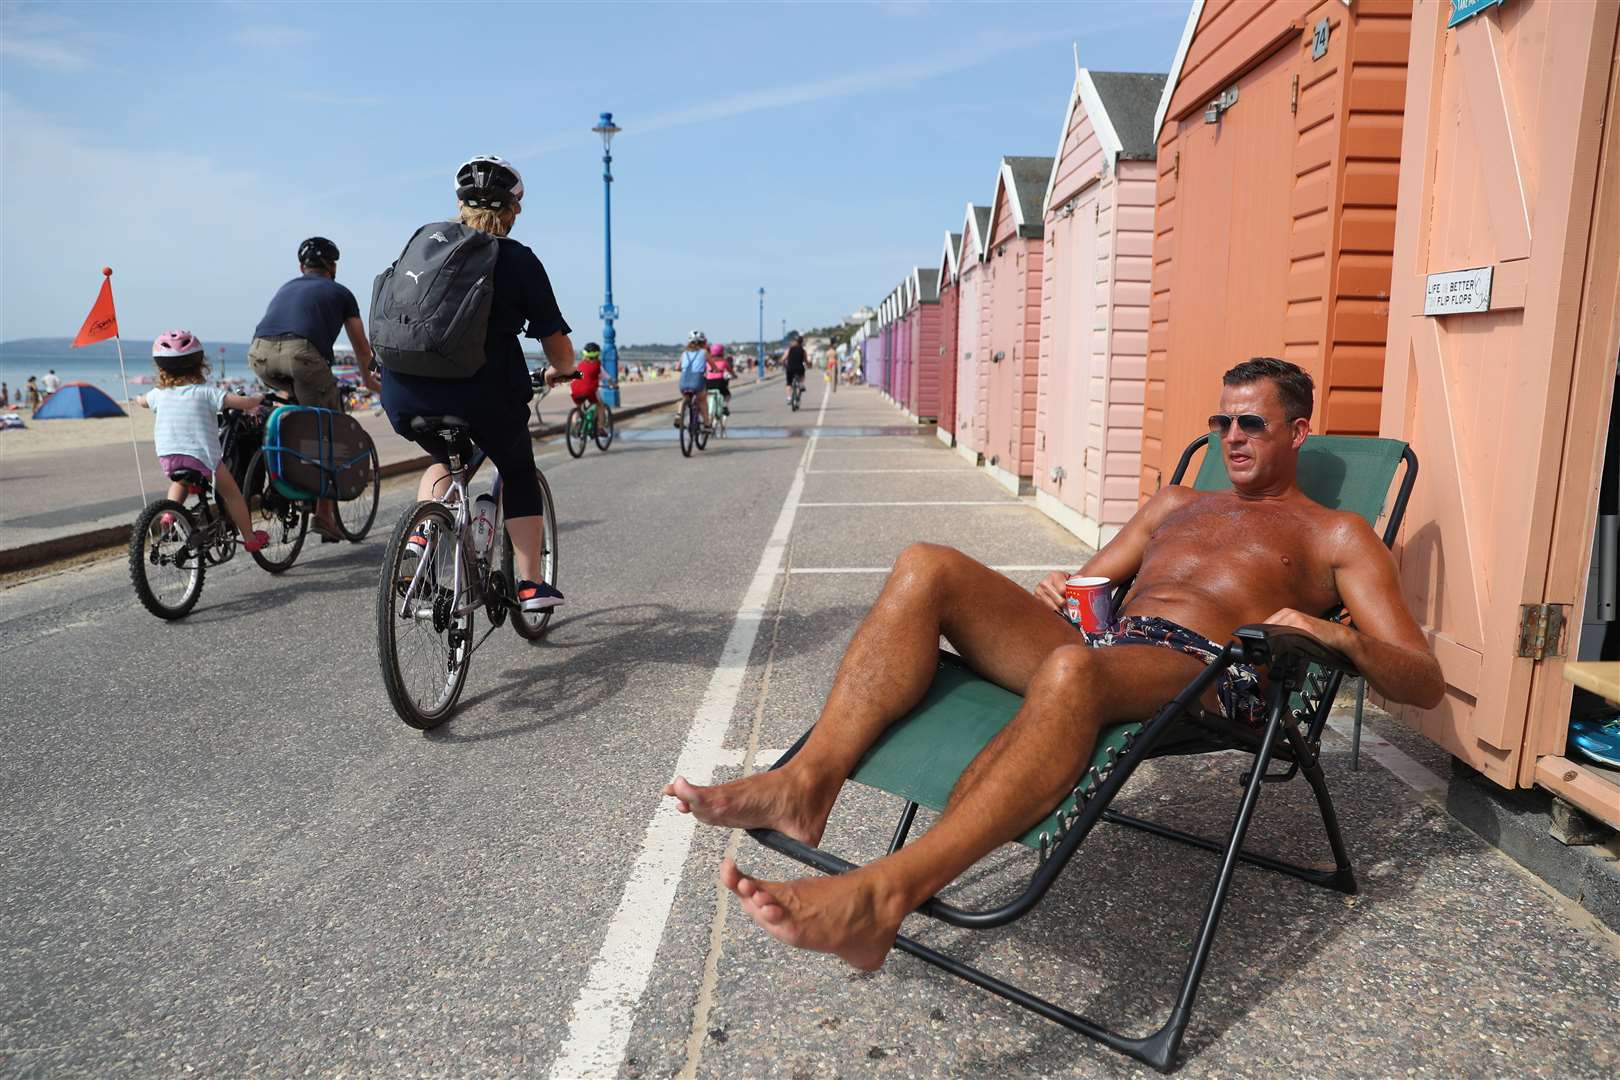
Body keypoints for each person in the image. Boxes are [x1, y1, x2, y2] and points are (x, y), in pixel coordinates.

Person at [665, 357, 1446, 972]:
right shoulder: (1177, 503)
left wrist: (1335, 637)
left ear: (1298, 432)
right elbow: (1092, 582)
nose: (1230, 437)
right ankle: (808, 785)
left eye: (1251, 423)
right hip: (1111, 647)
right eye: (1221, 420)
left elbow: (1421, 676)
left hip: (1211, 674)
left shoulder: (1337, 534)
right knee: (925, 564)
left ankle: (884, 895)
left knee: (1074, 675)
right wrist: (1067, 591)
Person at [380, 154, 576, 612]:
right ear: (513, 210)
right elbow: (557, 345)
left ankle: (418, 541)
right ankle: (530, 585)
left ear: (460, 206)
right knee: (517, 468)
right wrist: (565, 369)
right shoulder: (517, 259)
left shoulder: (421, 252)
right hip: (484, 395)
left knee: (444, 460)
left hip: (405, 392)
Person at [248, 236, 380, 541]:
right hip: (301, 356)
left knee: (295, 407)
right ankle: (323, 513)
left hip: (259, 355)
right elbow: (362, 349)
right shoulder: (341, 293)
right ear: (332, 267)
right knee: (329, 429)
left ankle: (283, 468)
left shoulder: (287, 286)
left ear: (301, 267)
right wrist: (370, 380)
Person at [137, 331, 269, 552]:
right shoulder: (206, 392)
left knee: (180, 483)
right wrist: (256, 399)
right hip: (204, 459)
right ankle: (250, 539)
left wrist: (138, 399)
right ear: (200, 365)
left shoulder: (158, 394)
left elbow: (142, 401)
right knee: (232, 494)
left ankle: (170, 514)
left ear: (161, 369)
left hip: (169, 457)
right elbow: (242, 403)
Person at [676, 331, 711, 430]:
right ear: (703, 342)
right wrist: (715, 370)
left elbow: (677, 367)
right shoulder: (704, 352)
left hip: (683, 381)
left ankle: (679, 415)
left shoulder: (684, 353)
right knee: (702, 400)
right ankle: (706, 424)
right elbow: (714, 367)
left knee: (684, 398)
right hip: (697, 381)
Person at [571, 342, 616, 412]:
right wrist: (613, 385)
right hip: (590, 391)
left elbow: (576, 378)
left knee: (578, 408)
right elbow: (608, 378)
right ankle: (601, 423)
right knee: (600, 406)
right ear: (597, 356)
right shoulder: (597, 366)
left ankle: (574, 421)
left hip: (575, 390)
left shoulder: (580, 365)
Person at [705, 343, 732, 417]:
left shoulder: (708, 361)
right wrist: (734, 375)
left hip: (709, 383)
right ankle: (725, 406)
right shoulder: (724, 362)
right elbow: (730, 371)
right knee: (727, 395)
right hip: (720, 382)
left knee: (706, 394)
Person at [782, 332, 807, 405]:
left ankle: (789, 398)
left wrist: (782, 362)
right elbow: (806, 360)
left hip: (790, 368)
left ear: (795, 342)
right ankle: (801, 384)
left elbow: (783, 358)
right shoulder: (803, 350)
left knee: (789, 384)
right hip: (799, 368)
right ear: (801, 342)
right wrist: (809, 365)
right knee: (802, 374)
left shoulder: (789, 349)